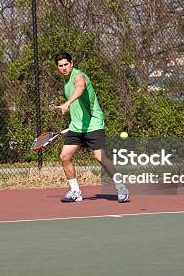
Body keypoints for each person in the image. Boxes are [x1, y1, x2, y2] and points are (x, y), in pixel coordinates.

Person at [54, 52, 129, 203]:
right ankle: (75, 192)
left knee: (99, 157)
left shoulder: (79, 76)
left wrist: (67, 103)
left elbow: (80, 88)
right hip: (77, 127)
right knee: (65, 156)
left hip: (93, 124)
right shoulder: (65, 81)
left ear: (72, 63)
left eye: (66, 65)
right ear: (57, 67)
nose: (63, 68)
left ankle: (121, 188)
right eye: (60, 66)